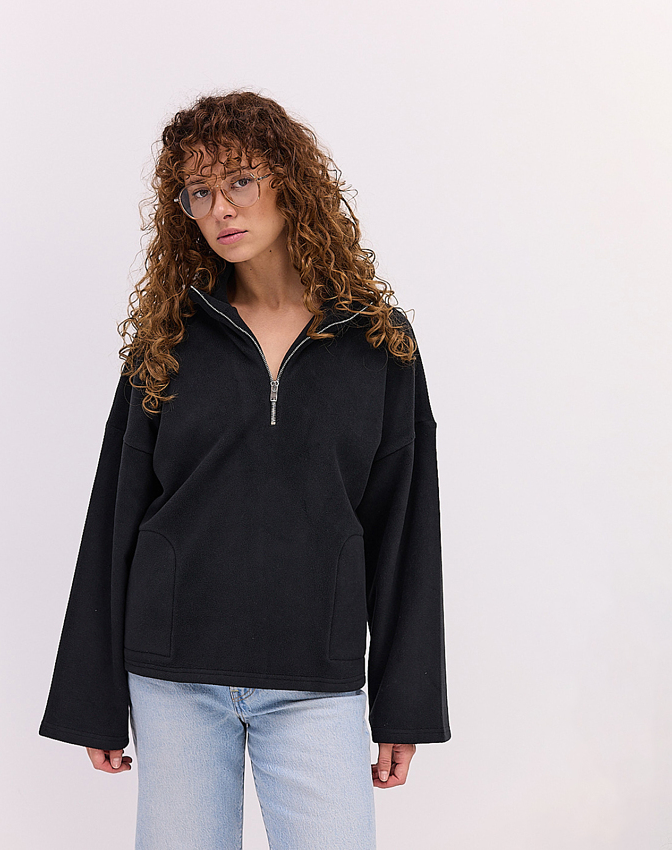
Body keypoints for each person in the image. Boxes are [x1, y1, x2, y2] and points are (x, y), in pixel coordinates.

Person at [39, 90, 451, 849]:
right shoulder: (168, 340)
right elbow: (115, 513)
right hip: (174, 679)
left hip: (315, 681)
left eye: (239, 180)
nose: (220, 208)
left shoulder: (377, 344)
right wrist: (91, 700)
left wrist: (406, 705)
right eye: (199, 191)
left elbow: (404, 530)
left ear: (290, 181)